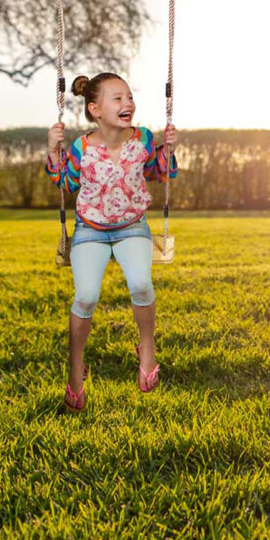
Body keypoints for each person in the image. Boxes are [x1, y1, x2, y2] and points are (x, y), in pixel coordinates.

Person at [46, 72, 178, 411]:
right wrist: (52, 149)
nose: (127, 103)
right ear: (95, 109)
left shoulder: (143, 139)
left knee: (142, 285)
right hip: (90, 228)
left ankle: (146, 348)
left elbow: (160, 173)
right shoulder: (81, 147)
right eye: (117, 98)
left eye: (129, 97)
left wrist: (169, 150)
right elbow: (63, 181)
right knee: (86, 297)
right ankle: (76, 366)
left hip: (132, 225)